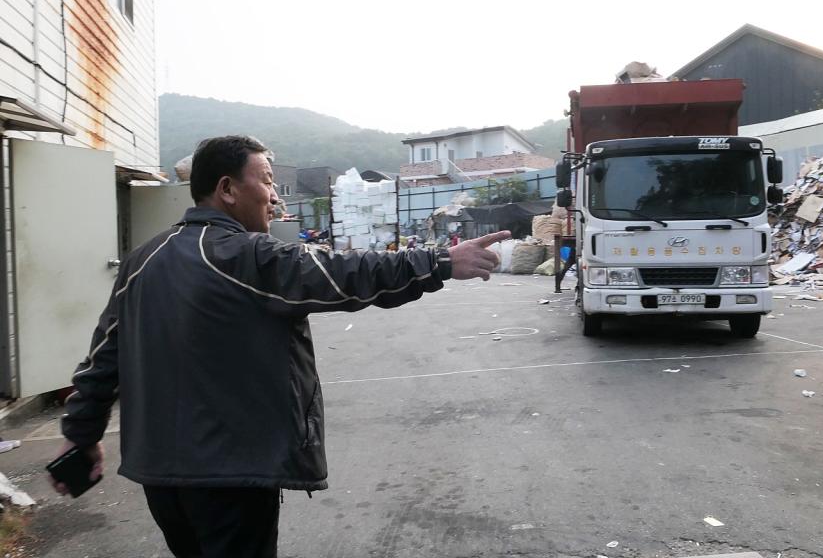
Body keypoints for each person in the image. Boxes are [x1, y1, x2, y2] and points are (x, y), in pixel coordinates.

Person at [50, 136, 508, 558]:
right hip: (232, 476)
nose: (275, 195)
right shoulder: (245, 255)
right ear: (227, 189)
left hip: (159, 477)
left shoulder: (140, 260)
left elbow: (102, 361)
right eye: (267, 181)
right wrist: (442, 260)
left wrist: (82, 436)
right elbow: (346, 273)